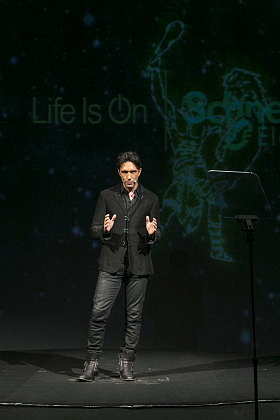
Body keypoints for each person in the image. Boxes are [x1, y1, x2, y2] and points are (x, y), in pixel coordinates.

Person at [78, 151, 160, 381]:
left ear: (140, 172)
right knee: (99, 313)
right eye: (125, 172)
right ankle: (92, 362)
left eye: (133, 171)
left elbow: (156, 230)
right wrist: (105, 229)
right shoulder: (107, 196)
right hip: (111, 262)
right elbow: (94, 228)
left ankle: (126, 362)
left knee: (134, 316)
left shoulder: (151, 198)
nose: (129, 176)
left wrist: (152, 234)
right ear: (119, 173)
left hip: (139, 264)